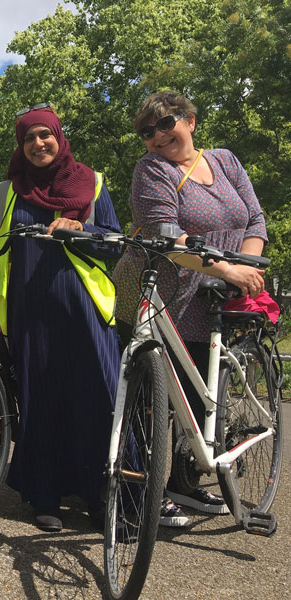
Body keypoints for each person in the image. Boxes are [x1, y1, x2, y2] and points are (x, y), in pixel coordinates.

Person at [0, 104, 121, 532]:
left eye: (45, 135)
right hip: (31, 313)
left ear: (59, 138)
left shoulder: (91, 183)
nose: (37, 144)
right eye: (29, 138)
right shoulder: (5, 191)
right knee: (40, 400)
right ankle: (45, 494)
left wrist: (83, 230)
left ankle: (103, 493)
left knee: (99, 400)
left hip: (85, 309)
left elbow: (115, 244)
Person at [112, 90, 268, 527]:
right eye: (147, 131)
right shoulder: (152, 170)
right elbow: (169, 239)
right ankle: (135, 500)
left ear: (190, 120)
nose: (158, 135)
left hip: (212, 299)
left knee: (202, 402)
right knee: (151, 406)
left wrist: (242, 266)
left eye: (166, 123)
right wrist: (229, 271)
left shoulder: (224, 161)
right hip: (159, 298)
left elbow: (254, 220)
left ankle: (184, 482)